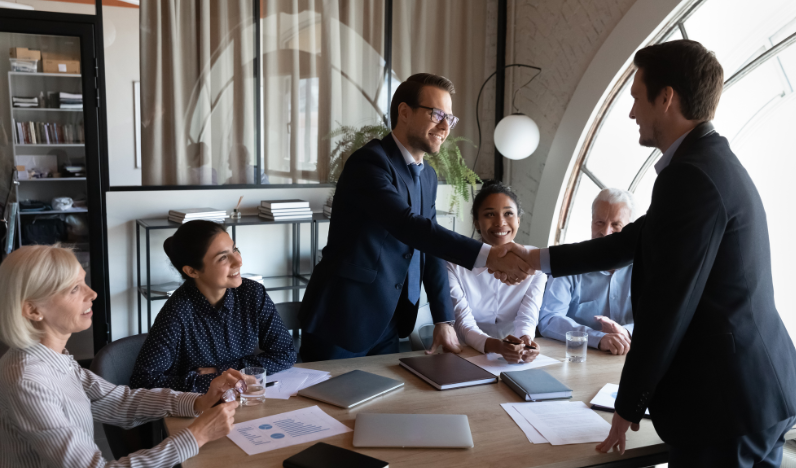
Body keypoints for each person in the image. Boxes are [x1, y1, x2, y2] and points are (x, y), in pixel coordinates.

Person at [514, 40, 796, 467]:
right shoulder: (707, 163)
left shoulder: (691, 177)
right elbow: (631, 241)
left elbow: (668, 304)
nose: (631, 113)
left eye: (636, 98)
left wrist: (627, 408)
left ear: (666, 98)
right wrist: (534, 258)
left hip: (726, 404)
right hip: (752, 392)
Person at [299, 73, 532, 362]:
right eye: (437, 114)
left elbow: (430, 246)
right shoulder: (369, 162)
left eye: (450, 118)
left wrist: (443, 320)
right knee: (325, 405)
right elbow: (408, 226)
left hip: (390, 321)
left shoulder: (428, 177)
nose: (445, 126)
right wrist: (490, 255)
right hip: (343, 319)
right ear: (405, 112)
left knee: (379, 407)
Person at [0, 245, 241, 467]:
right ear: (33, 310)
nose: (92, 293)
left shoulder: (52, 359)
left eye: (84, 282)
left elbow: (118, 401)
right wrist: (196, 436)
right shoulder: (28, 381)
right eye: (74, 289)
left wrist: (198, 401)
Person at [131, 220, 296, 393]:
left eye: (235, 249)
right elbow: (143, 382)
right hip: (195, 409)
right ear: (192, 271)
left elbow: (285, 353)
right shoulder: (177, 312)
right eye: (223, 257)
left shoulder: (252, 293)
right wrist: (212, 382)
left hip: (245, 400)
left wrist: (223, 370)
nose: (238, 261)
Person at [448, 181, 546, 363]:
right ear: (476, 223)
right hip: (463, 353)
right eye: (490, 214)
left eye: (508, 214)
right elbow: (463, 323)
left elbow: (527, 315)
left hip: (514, 357)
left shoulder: (535, 263)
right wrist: (497, 346)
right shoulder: (454, 264)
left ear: (518, 220)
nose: (500, 222)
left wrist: (526, 340)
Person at [537, 188, 635, 355]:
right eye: (600, 223)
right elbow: (549, 319)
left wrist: (626, 332)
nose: (606, 232)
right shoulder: (569, 262)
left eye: (616, 225)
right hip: (577, 358)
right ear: (591, 222)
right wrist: (598, 338)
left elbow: (658, 318)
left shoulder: (645, 267)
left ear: (631, 229)